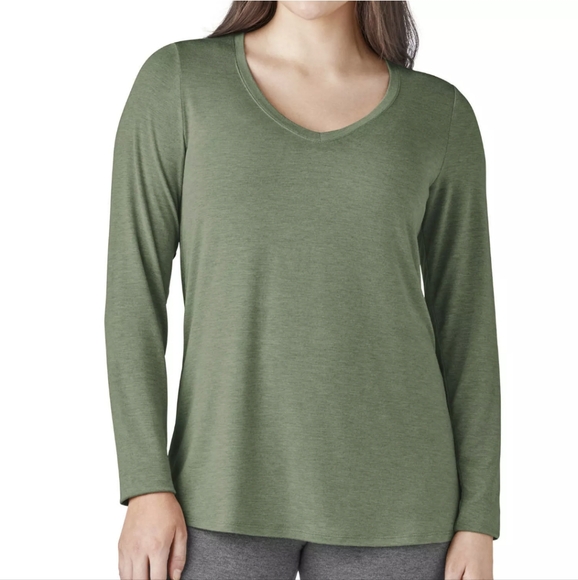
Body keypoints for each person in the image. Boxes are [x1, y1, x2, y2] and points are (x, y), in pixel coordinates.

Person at [104, 1, 502, 579]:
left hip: (403, 508)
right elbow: (132, 298)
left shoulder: (438, 114)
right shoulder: (181, 84)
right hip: (215, 494)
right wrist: (145, 484)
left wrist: (478, 518)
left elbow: (468, 328)